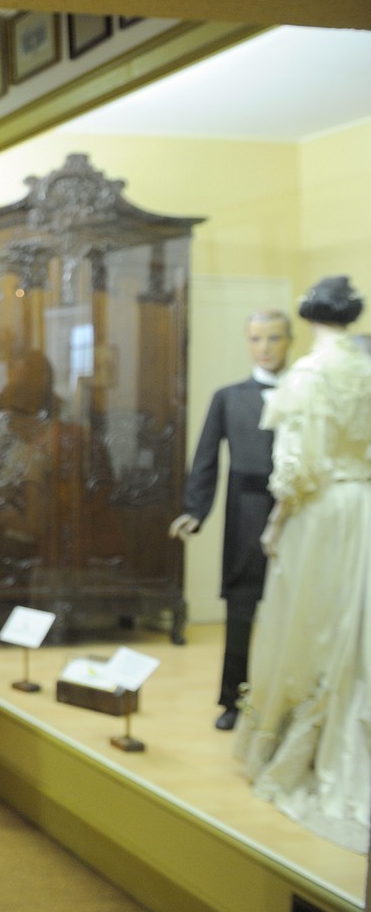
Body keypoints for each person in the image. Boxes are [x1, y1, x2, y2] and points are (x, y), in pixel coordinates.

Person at [235, 276, 371, 852]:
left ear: (308, 319)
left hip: (321, 511)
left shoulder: (310, 374)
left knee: (308, 623)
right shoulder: (366, 368)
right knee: (354, 626)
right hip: (363, 505)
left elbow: (296, 466)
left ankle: (296, 746)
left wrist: (277, 519)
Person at [169, 309, 291, 730]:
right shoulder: (229, 397)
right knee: (241, 607)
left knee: (296, 608)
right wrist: (195, 510)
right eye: (256, 338)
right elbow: (206, 458)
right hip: (246, 515)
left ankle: (290, 704)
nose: (265, 347)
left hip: (297, 513)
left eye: (274, 338)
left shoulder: (306, 393)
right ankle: (232, 701)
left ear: (289, 340)